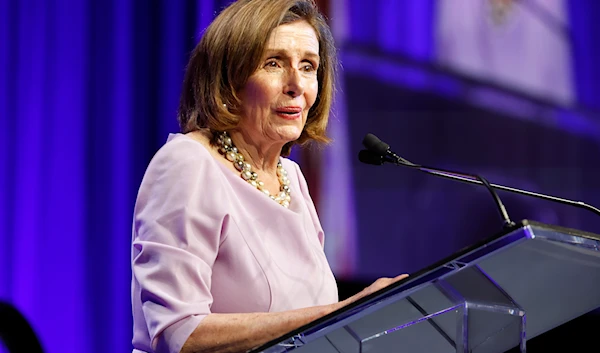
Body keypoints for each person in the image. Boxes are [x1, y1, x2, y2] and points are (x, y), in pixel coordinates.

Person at [131, 1, 407, 352]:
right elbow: (179, 334)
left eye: (308, 66)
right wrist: (343, 313)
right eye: (273, 63)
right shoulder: (188, 164)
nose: (296, 84)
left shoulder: (291, 177)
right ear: (230, 76)